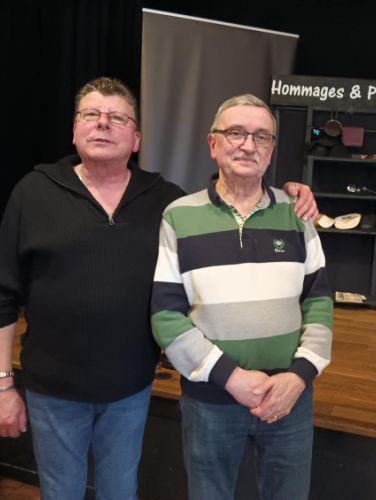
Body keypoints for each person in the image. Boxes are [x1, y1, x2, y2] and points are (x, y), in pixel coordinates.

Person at [0, 78, 318, 499]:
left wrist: (293, 194)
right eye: (91, 115)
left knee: (120, 491)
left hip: (130, 388)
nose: (103, 124)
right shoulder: (32, 193)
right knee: (60, 493)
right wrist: (2, 384)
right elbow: (3, 296)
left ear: (136, 139)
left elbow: (230, 199)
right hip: (52, 390)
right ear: (74, 130)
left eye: (117, 118)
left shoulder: (166, 202)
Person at [151, 94, 333, 500]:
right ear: (213, 144)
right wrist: (231, 378)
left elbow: (319, 302)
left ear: (271, 149)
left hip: (289, 398)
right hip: (211, 401)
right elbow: (166, 315)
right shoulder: (178, 216)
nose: (249, 145)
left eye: (261, 136)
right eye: (236, 133)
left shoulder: (297, 214)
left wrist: (299, 376)